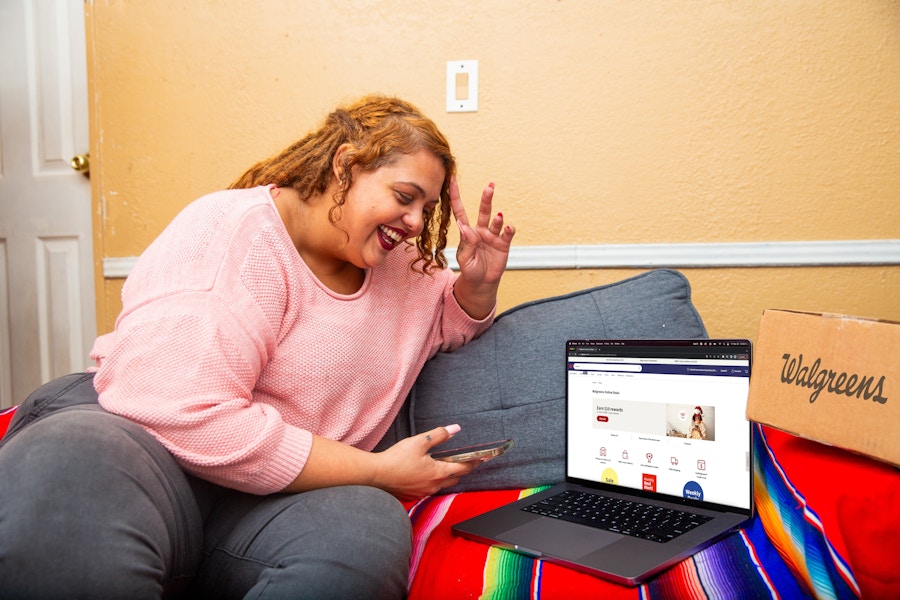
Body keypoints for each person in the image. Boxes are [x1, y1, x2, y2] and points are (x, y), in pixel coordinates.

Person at [0, 95, 515, 598]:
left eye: (427, 208)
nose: (416, 225)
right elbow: (176, 410)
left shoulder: (397, 268)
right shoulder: (227, 234)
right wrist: (379, 470)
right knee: (71, 467)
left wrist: (477, 284)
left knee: (365, 530)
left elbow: (447, 322)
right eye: (405, 197)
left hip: (268, 502)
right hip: (150, 455)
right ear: (344, 166)